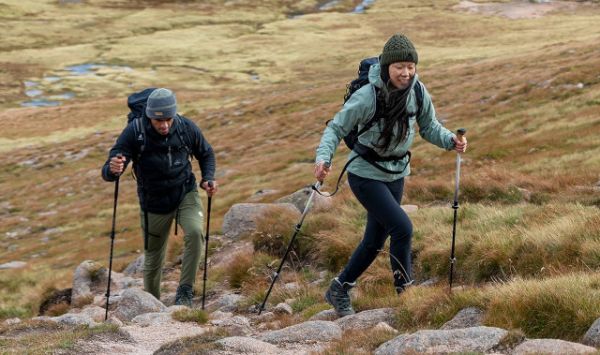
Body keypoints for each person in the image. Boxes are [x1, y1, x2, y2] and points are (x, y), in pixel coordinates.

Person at [314, 33, 467, 316]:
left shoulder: (418, 91)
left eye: (410, 66)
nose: (406, 72)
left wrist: (450, 141)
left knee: (374, 240)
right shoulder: (366, 96)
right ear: (387, 67)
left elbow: (430, 126)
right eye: (399, 66)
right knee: (403, 228)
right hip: (365, 174)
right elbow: (335, 128)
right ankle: (406, 293)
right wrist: (323, 158)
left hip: (396, 172)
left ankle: (339, 288)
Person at [101, 88, 217, 307]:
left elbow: (206, 153)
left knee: (195, 233)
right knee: (154, 257)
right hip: (153, 201)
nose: (164, 125)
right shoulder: (134, 132)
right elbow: (110, 168)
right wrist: (113, 169)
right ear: (149, 116)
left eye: (168, 119)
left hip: (185, 191)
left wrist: (207, 178)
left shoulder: (185, 127)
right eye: (158, 120)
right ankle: (152, 303)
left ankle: (184, 293)